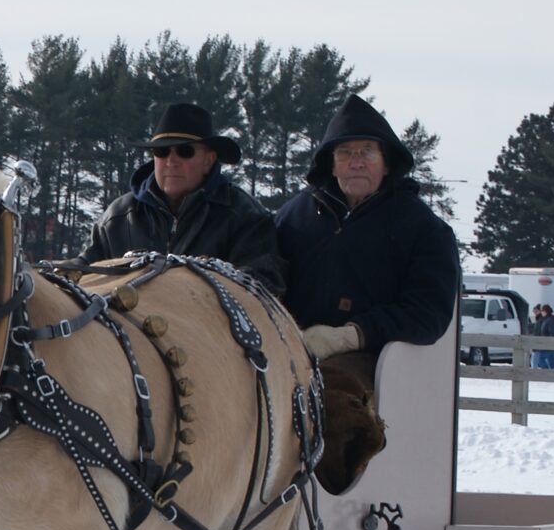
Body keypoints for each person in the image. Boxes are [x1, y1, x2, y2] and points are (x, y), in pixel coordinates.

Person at [275, 94, 460, 361]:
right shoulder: (293, 217)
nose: (356, 161)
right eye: (345, 152)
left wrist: (353, 335)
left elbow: (428, 314)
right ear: (332, 164)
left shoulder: (423, 228)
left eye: (367, 151)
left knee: (337, 397)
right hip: (287, 349)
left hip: (374, 361)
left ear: (387, 164)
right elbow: (267, 279)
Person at [74, 103, 286, 294]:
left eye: (185, 151)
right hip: (127, 336)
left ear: (209, 160)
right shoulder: (118, 218)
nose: (171, 161)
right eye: (162, 151)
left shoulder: (246, 218)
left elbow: (262, 288)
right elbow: (82, 275)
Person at [532, 302, 554, 370]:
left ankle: (548, 373)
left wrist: (549, 342)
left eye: (542, 311)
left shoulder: (550, 320)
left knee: (541, 360)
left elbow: (552, 333)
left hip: (547, 345)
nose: (541, 312)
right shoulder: (545, 320)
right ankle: (552, 374)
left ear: (545, 311)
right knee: (551, 362)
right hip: (546, 345)